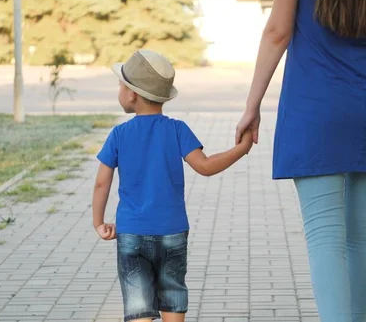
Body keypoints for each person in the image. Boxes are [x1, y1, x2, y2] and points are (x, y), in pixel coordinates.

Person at [235, 0, 366, 321]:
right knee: (362, 234)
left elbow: (278, 32)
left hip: (314, 107)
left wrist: (252, 105)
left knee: (325, 238)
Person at [92, 49, 253, 322]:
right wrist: (243, 148)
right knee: (172, 298)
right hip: (172, 233)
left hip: (131, 233)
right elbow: (205, 166)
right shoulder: (177, 129)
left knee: (138, 304)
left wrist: (99, 222)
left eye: (120, 85)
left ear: (132, 94)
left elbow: (101, 184)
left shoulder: (119, 134)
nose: (119, 90)